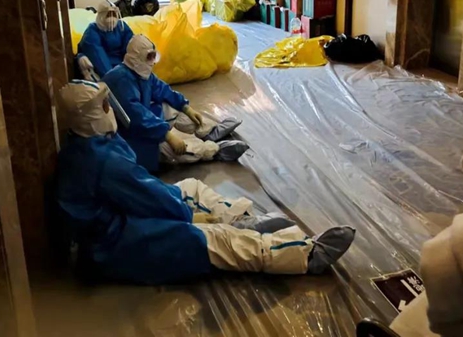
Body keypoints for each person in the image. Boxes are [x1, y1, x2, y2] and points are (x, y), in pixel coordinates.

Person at [56, 80, 356, 285]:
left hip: (120, 222)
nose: (109, 109)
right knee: (211, 240)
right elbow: (147, 194)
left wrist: (184, 209)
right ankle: (302, 255)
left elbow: (144, 189)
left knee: (190, 187)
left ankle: (237, 219)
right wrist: (189, 217)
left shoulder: (89, 142)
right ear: (89, 113)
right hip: (115, 244)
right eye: (103, 105)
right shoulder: (101, 159)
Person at [103, 34, 246, 173]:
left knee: (172, 105)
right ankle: (213, 151)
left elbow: (162, 89)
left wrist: (186, 108)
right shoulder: (121, 80)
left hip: (142, 124)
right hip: (132, 139)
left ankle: (208, 131)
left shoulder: (138, 71)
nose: (153, 62)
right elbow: (137, 116)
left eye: (153, 56)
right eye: (149, 57)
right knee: (178, 150)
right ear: (136, 58)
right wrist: (167, 135)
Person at [78, 0, 134, 77]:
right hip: (104, 70)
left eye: (114, 14)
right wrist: (113, 78)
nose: (112, 18)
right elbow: (98, 57)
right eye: (108, 15)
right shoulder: (92, 31)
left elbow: (131, 47)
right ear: (101, 15)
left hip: (122, 67)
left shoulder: (122, 27)